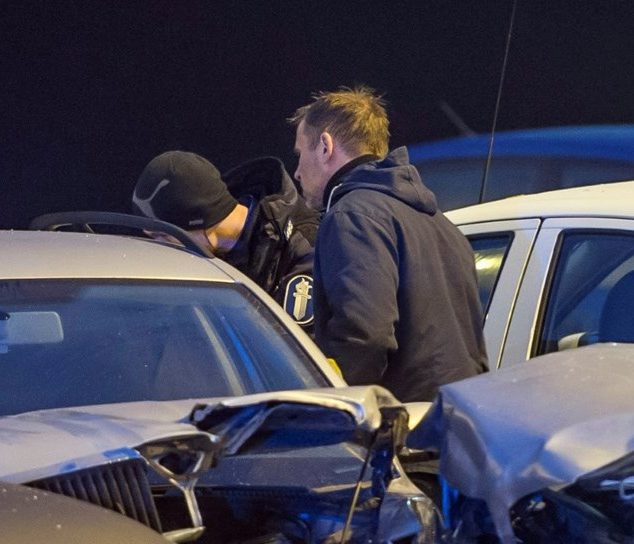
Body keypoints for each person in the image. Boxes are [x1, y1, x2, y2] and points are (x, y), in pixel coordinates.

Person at [288, 85, 487, 401]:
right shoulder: (439, 222)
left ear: (325, 146)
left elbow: (364, 337)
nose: (296, 172)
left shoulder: (352, 216)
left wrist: (334, 410)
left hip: (400, 433)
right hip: (455, 424)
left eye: (300, 155)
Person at [131, 150, 319, 326]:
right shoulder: (213, 254)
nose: (161, 248)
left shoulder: (304, 249)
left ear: (197, 223)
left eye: (162, 236)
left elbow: (295, 355)